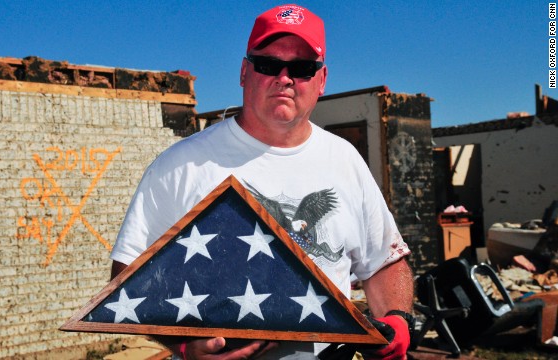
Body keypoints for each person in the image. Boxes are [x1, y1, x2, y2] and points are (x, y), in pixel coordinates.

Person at [110, 4, 414, 360]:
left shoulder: (343, 159)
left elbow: (384, 262)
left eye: (301, 68)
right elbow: (129, 279)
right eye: (269, 65)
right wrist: (182, 344)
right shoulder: (182, 165)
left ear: (322, 79)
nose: (284, 78)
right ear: (244, 72)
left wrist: (396, 319)